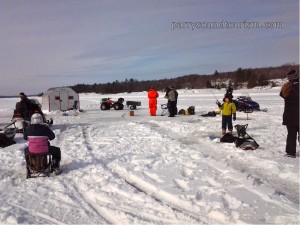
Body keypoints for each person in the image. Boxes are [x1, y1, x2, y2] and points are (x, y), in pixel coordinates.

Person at [280, 69, 299, 158]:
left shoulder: (286, 88)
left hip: (290, 117)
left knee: (291, 135)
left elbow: (282, 94)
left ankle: (291, 153)